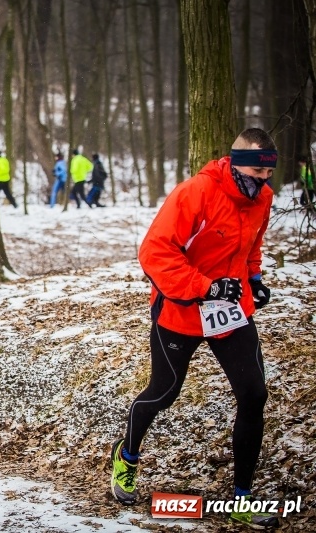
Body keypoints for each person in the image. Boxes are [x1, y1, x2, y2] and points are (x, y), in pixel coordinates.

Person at [110, 128, 279, 529]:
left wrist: (252, 279)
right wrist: (205, 287)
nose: (263, 181)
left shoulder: (263, 198)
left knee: (254, 394)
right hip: (180, 310)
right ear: (236, 162)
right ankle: (127, 456)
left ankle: (242, 497)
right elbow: (155, 250)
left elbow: (250, 246)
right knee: (163, 393)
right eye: (257, 171)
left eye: (269, 173)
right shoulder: (196, 193)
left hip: (230, 311)